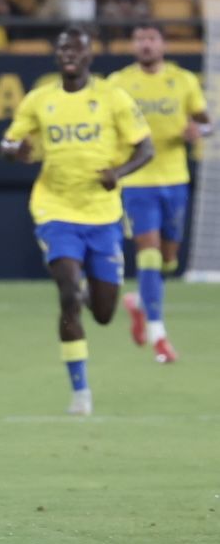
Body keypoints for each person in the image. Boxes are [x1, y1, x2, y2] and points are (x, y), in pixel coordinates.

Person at [0, 27, 153, 416]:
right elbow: (8, 143)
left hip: (102, 216)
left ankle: (111, 297)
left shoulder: (112, 97)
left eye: (76, 49)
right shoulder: (39, 99)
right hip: (55, 210)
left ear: (89, 56)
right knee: (67, 290)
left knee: (102, 314)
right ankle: (80, 393)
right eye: (63, 48)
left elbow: (145, 147)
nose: (69, 54)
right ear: (57, 56)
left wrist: (119, 172)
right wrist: (14, 151)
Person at [106, 25, 211, 363]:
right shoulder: (119, 83)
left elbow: (207, 122)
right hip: (137, 181)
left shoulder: (183, 80)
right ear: (133, 44)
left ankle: (139, 303)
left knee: (169, 261)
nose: (146, 45)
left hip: (175, 179)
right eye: (140, 39)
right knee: (148, 255)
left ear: (163, 44)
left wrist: (200, 130)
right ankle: (158, 335)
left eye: (152, 39)